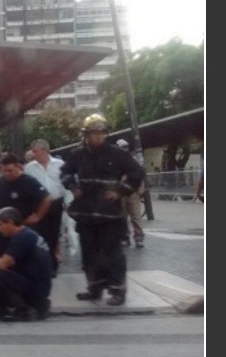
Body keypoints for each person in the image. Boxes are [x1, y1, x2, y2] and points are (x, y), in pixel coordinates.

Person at [60, 114, 145, 306]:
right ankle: (94, 288)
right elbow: (65, 172)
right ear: (86, 134)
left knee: (112, 254)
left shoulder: (117, 154)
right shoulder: (77, 155)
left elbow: (137, 172)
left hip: (110, 216)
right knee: (89, 253)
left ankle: (118, 291)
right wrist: (73, 187)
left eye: (101, 133)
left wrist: (121, 191)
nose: (99, 137)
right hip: (86, 215)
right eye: (94, 133)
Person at [0, 207, 53, 322]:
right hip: (37, 284)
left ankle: (24, 309)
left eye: (0, 225)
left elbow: (2, 265)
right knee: (1, 277)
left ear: (10, 222)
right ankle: (33, 305)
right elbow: (13, 262)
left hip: (36, 287)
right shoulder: (28, 234)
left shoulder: (22, 237)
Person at [24, 139, 67, 273]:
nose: (33, 154)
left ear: (44, 151)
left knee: (54, 235)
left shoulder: (60, 165)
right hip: (39, 205)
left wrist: (68, 202)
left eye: (35, 151)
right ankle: (43, 264)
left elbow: (65, 184)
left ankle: (52, 265)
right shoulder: (30, 168)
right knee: (41, 235)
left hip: (56, 203)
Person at [116, 139, 145, 248]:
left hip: (133, 192)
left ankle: (138, 238)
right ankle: (125, 237)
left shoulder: (133, 160)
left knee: (136, 216)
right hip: (121, 192)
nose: (125, 149)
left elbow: (139, 174)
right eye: (122, 147)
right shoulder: (115, 162)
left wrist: (140, 189)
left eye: (126, 146)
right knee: (122, 217)